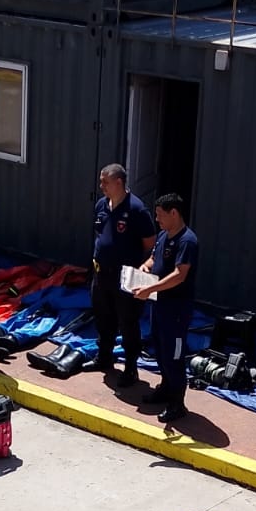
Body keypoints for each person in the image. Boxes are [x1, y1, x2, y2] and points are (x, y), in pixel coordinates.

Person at [131, 193, 199, 424]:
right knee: (160, 350)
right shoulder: (163, 236)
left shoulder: (187, 241)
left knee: (174, 355)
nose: (157, 220)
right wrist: (145, 268)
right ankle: (165, 388)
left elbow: (180, 275)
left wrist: (150, 290)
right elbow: (153, 258)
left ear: (174, 213)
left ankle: (177, 403)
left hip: (176, 310)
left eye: (160, 215)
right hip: (159, 306)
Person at [88, 164, 157, 386]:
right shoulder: (101, 205)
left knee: (128, 322)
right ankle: (104, 357)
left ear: (119, 182)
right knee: (103, 317)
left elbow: (150, 244)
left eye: (105, 182)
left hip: (126, 275)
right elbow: (100, 232)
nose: (101, 187)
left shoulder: (137, 210)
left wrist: (142, 268)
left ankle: (130, 368)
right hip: (101, 273)